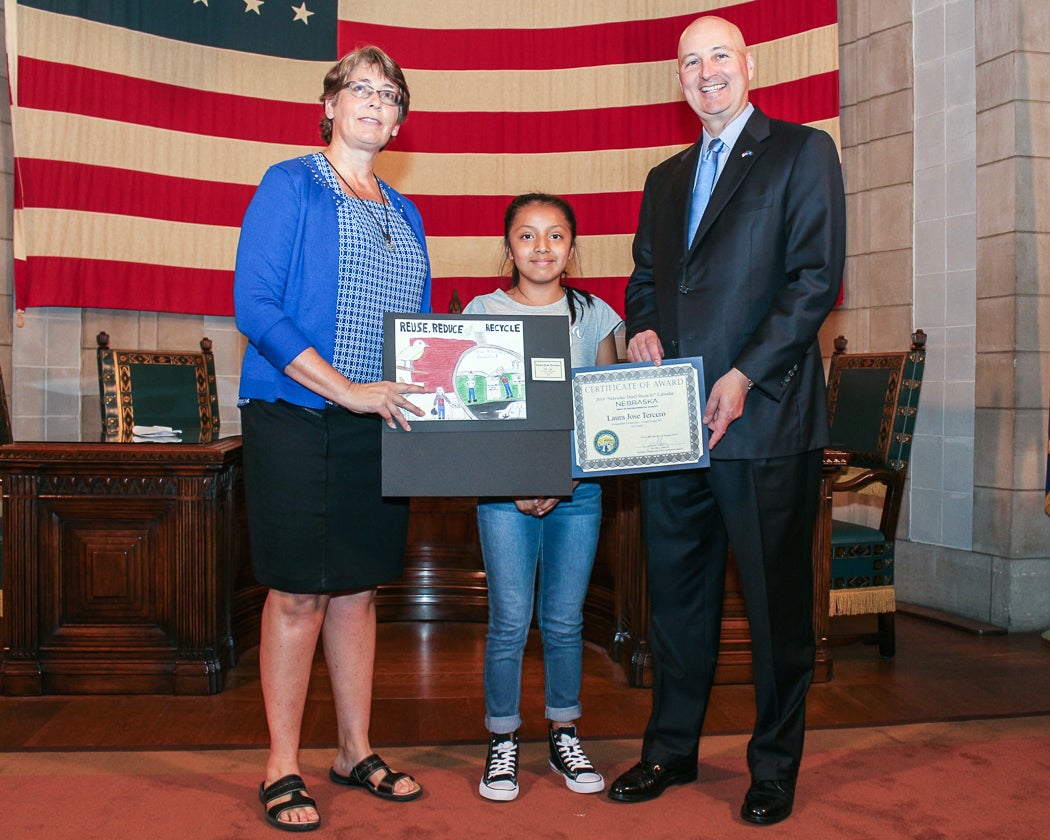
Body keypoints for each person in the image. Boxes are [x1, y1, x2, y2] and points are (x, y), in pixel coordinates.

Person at [607, 16, 846, 826]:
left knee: (777, 609)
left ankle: (773, 766)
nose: (705, 71)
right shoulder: (665, 177)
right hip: (673, 426)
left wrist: (744, 375)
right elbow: (645, 278)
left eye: (718, 56)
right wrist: (643, 327)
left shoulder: (802, 151)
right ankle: (670, 750)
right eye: (689, 62)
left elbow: (815, 279)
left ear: (748, 66)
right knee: (676, 602)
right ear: (677, 79)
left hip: (765, 417)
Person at [234, 45, 431, 832]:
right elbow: (256, 306)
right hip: (295, 414)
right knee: (297, 593)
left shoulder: (406, 212)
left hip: (377, 423)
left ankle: (354, 750)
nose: (376, 103)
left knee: (357, 588)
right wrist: (346, 388)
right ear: (330, 104)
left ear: (400, 121)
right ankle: (282, 764)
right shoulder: (290, 184)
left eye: (390, 95)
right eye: (362, 89)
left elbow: (417, 334)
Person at [463, 193, 622, 802]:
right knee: (509, 621)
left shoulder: (595, 316)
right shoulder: (482, 311)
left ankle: (564, 731)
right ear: (508, 247)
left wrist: (566, 479)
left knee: (563, 621)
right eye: (526, 235)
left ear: (572, 248)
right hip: (503, 496)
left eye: (555, 235)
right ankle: (502, 738)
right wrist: (515, 481)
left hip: (578, 494)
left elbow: (604, 412)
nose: (541, 247)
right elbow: (469, 413)